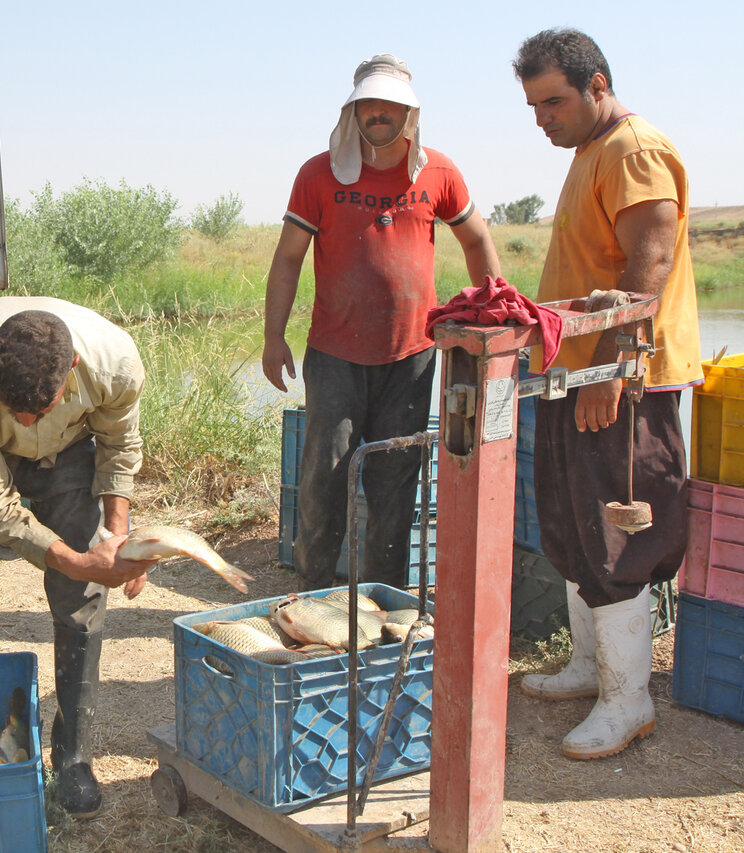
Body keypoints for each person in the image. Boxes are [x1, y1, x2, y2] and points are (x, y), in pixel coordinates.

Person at [513, 29, 701, 760]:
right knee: (573, 520)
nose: (542, 119)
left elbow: (647, 259)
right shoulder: (591, 151)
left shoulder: (634, 149)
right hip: (577, 372)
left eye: (553, 101)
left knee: (617, 530)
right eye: (533, 107)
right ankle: (591, 666)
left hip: (620, 377)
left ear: (598, 86)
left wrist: (617, 371)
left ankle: (629, 700)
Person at [0, 296, 155, 818]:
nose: (24, 419)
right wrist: (78, 560)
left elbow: (118, 447)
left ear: (74, 370)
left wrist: (114, 539)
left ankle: (73, 756)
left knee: (80, 596)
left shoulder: (116, 363)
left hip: (70, 449)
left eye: (38, 408)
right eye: (13, 405)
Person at [262, 53, 501, 592]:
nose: (379, 113)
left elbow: (477, 239)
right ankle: (314, 596)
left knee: (397, 485)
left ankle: (383, 604)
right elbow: (287, 259)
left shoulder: (438, 171)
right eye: (368, 103)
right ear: (353, 110)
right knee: (325, 480)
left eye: (391, 104)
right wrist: (274, 337)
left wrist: (492, 312)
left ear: (410, 113)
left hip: (412, 358)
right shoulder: (318, 174)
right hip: (335, 356)